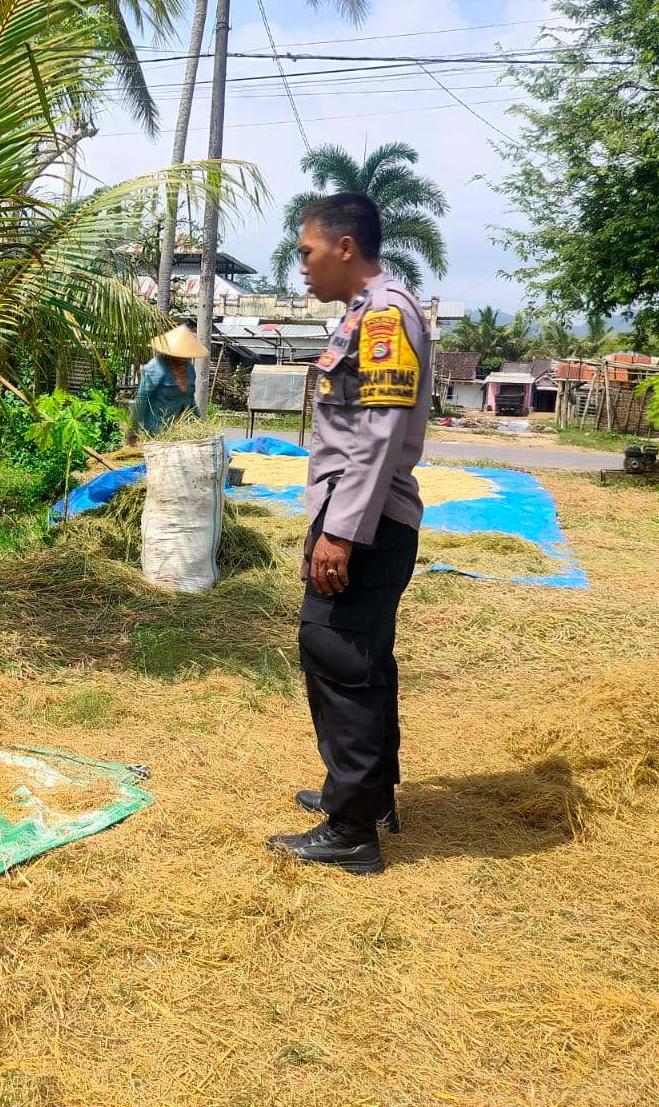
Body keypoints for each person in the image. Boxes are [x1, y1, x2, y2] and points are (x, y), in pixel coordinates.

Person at [266, 193, 431, 876]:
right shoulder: (367, 314)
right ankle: (364, 795)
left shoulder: (387, 315)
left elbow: (378, 437)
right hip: (355, 516)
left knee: (341, 657)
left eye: (306, 252)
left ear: (343, 247)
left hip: (361, 523)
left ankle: (352, 832)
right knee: (360, 657)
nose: (300, 266)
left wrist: (340, 534)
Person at [130, 324, 207, 437]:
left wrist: (201, 425)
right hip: (155, 431)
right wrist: (133, 431)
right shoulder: (155, 367)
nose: (182, 357)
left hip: (179, 432)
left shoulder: (189, 368)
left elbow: (190, 400)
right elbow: (141, 399)